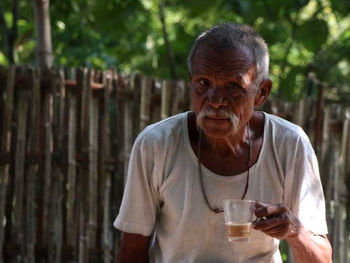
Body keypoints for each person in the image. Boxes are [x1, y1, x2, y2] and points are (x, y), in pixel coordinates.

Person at [113, 23, 332, 263]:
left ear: (262, 92)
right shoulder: (156, 144)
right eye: (204, 83)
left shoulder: (289, 145)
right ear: (191, 82)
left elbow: (322, 260)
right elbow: (132, 252)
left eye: (234, 87)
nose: (216, 101)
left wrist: (294, 230)